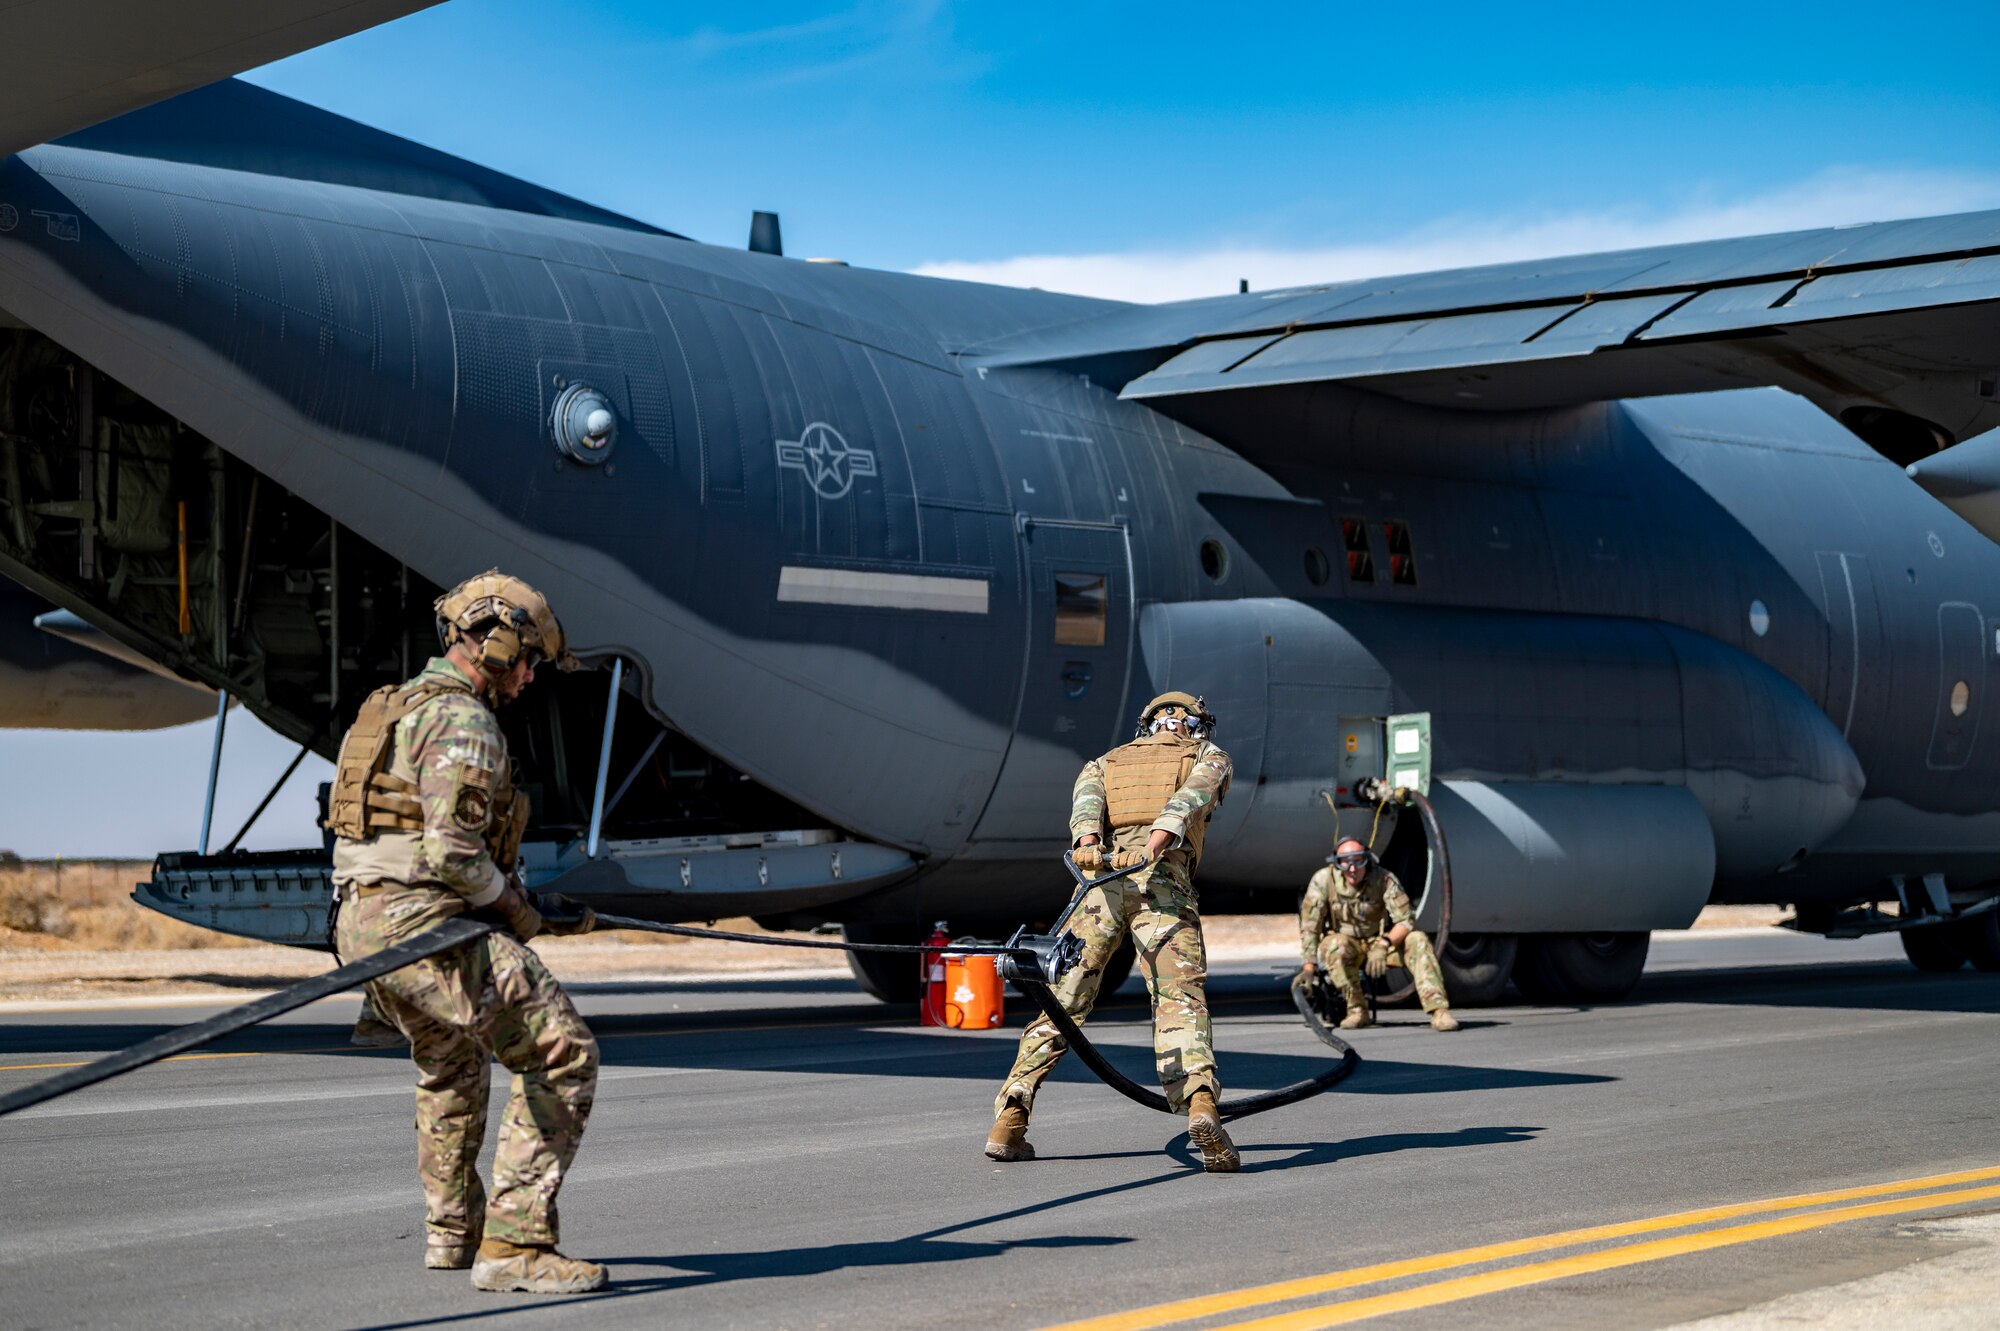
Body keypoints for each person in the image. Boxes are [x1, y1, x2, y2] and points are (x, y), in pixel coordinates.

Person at [326, 570, 605, 1293]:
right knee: (561, 1051)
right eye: (529, 658)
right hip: (420, 925)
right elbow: (451, 852)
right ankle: (515, 1245)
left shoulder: (393, 706)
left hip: (364, 927)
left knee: (451, 1063)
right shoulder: (464, 719)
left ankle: (454, 1234)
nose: (530, 676)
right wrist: (518, 911)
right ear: (498, 641)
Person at [986, 691, 1240, 1172]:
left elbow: (1085, 815)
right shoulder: (1209, 756)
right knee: (1178, 998)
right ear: (1193, 724)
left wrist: (1088, 846)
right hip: (1162, 885)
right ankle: (1202, 1106)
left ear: (1148, 725)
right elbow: (1189, 801)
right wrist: (1155, 844)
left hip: (1100, 886)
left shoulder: (1106, 761)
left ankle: (1011, 1117)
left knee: (1062, 995)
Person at [1299, 838, 1458, 1032]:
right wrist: (1309, 967)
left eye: (1358, 861)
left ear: (1367, 860)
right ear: (1337, 863)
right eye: (1345, 862)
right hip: (1345, 945)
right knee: (1335, 945)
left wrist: (1384, 943)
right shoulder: (1323, 880)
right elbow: (1310, 926)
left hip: (1381, 943)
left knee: (1418, 940)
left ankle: (1438, 1010)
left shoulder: (1384, 879)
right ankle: (1356, 1009)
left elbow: (1405, 920)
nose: (1352, 868)